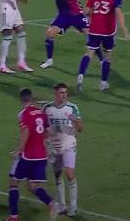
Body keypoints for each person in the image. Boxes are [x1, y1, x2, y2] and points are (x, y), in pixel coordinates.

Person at [23, 0, 103, 69]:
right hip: (63, 16)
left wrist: (90, 11)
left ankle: (102, 61)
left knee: (91, 38)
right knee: (50, 34)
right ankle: (49, 60)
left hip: (77, 15)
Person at [6, 88, 61, 221]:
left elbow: (25, 132)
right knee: (32, 186)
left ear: (21, 99)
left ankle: (14, 217)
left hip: (28, 155)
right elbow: (48, 132)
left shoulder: (23, 114)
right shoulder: (41, 113)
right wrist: (39, 138)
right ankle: (51, 203)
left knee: (13, 182)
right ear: (31, 98)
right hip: (41, 154)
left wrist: (19, 148)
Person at [78, 0, 130, 91]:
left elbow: (86, 12)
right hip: (108, 31)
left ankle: (80, 77)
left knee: (88, 53)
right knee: (107, 57)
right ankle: (103, 83)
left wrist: (89, 19)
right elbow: (119, 14)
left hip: (94, 29)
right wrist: (125, 31)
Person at [43, 83, 83, 216]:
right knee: (57, 176)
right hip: (54, 147)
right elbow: (43, 128)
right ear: (55, 94)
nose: (64, 95)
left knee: (69, 174)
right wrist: (46, 142)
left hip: (69, 145)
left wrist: (76, 121)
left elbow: (81, 129)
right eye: (61, 93)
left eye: (65, 92)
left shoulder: (72, 108)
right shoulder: (47, 109)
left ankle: (73, 205)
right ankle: (62, 205)